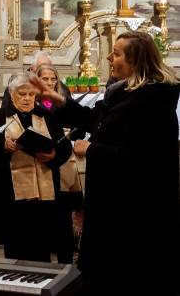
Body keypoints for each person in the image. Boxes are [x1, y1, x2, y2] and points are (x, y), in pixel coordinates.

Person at [34, 30, 180, 292]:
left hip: (134, 215)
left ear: (135, 62)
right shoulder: (124, 93)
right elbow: (96, 120)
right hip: (112, 207)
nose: (110, 58)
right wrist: (58, 99)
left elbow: (143, 158)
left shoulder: (153, 102)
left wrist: (91, 149)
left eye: (117, 53)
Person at [0, 71, 71, 263]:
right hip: (13, 199)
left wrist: (53, 154)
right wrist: (3, 146)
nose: (27, 99)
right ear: (12, 93)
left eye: (31, 94)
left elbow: (64, 146)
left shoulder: (45, 116)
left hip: (43, 200)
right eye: (22, 94)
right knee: (16, 252)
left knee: (42, 250)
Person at [34, 63, 82, 264]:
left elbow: (77, 123)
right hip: (43, 161)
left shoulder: (62, 99)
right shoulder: (34, 100)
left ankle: (66, 259)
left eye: (53, 79)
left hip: (64, 157)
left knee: (65, 210)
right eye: (45, 79)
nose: (50, 82)